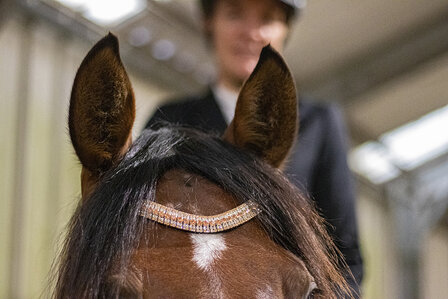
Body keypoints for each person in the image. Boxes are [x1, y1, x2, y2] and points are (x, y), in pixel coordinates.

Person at [145, 0, 363, 296]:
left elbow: (346, 256)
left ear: (286, 29)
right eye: (235, 14)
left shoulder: (319, 123)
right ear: (210, 21)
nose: (252, 33)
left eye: (269, 18)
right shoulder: (169, 120)